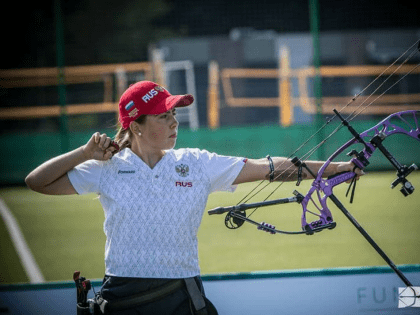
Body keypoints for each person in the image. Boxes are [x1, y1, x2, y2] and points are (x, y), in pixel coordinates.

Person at [25, 81, 361, 314]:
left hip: (181, 295)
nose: (174, 123)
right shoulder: (107, 167)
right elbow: (37, 182)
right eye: (163, 116)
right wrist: (84, 152)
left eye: (174, 115)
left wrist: (335, 167)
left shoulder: (196, 163)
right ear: (136, 126)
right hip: (123, 297)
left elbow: (267, 167)